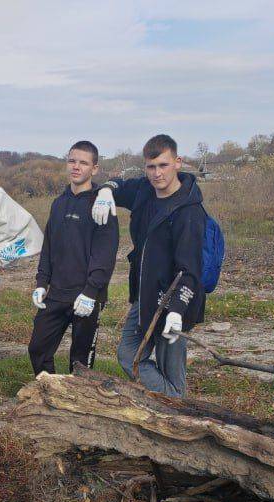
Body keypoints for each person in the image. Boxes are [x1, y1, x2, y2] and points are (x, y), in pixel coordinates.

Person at [91, 134, 205, 396]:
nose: (157, 173)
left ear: (177, 162)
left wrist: (177, 310)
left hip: (173, 300)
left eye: (163, 165)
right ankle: (171, 403)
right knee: (128, 354)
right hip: (144, 295)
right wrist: (106, 190)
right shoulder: (144, 190)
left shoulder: (189, 211)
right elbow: (119, 185)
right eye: (151, 167)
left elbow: (190, 270)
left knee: (172, 373)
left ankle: (176, 409)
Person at [28, 141, 119, 375]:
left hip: (86, 296)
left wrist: (91, 292)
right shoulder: (58, 204)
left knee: (80, 362)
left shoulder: (100, 205)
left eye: (83, 162)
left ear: (95, 169)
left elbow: (105, 255)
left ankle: (79, 404)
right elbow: (48, 247)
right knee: (38, 348)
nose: (76, 167)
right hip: (57, 293)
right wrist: (41, 283)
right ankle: (48, 395)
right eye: (72, 161)